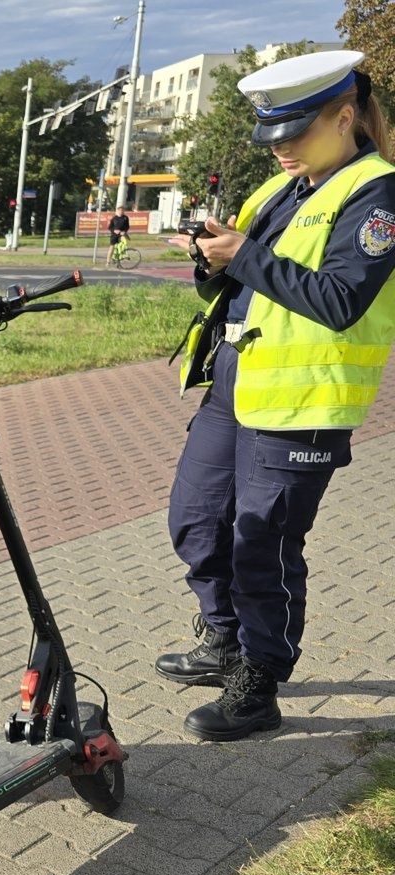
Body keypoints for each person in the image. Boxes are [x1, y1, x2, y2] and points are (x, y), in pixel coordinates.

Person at [158, 49, 395, 741]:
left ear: (344, 116)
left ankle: (258, 685)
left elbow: (341, 299)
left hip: (305, 401)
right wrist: (211, 261)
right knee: (196, 521)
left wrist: (244, 255)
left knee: (263, 544)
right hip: (238, 381)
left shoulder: (377, 194)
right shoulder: (279, 191)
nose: (281, 149)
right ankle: (224, 641)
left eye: (295, 133)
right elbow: (246, 284)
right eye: (271, 137)